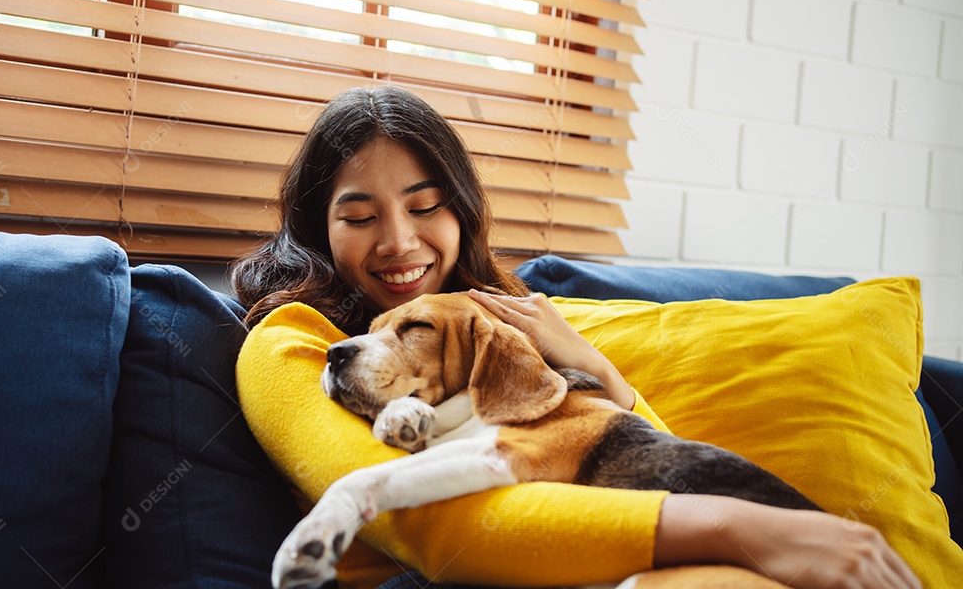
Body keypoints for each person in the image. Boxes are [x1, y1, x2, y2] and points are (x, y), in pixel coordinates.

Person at [232, 85, 919, 589]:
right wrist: (744, 527)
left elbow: (638, 462)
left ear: (461, 210)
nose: (399, 242)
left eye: (424, 206)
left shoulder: (504, 331)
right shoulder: (289, 341)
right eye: (359, 215)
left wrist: (589, 365)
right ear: (315, 225)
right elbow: (442, 527)